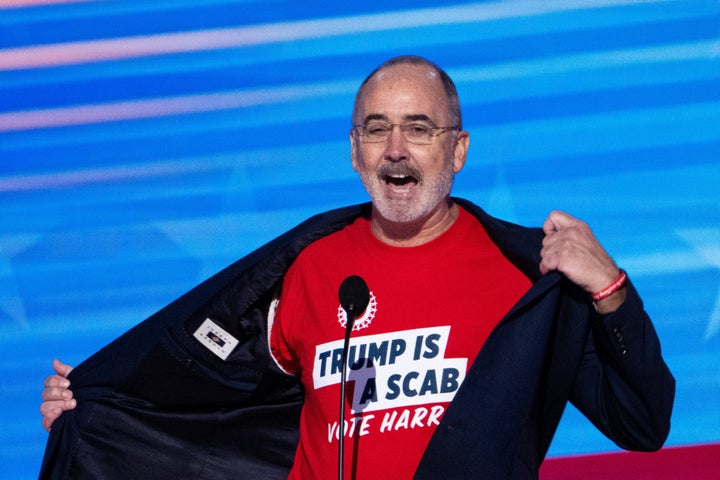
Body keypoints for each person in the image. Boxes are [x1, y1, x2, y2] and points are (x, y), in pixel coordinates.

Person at [39, 56, 674, 479]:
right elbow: (208, 403)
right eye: (377, 130)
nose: (396, 150)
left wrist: (612, 292)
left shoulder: (524, 282)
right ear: (353, 151)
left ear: (458, 151)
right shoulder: (306, 271)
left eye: (418, 129)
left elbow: (642, 425)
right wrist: (96, 406)